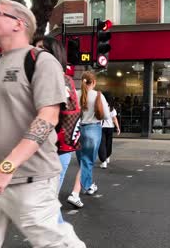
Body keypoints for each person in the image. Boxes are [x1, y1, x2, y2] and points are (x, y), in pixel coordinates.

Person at [0, 0, 85, 248]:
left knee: (54, 243)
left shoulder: (40, 61)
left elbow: (48, 117)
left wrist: (5, 169)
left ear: (17, 24)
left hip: (30, 179)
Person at [33, 35, 80, 223]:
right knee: (44, 203)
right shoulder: (46, 78)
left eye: (41, 49)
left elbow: (51, 115)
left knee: (46, 202)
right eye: (35, 48)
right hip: (44, 149)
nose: (36, 53)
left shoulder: (60, 79)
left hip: (54, 150)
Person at [67, 72, 110, 208]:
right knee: (87, 162)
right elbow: (106, 115)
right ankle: (75, 193)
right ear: (94, 82)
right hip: (93, 130)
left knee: (83, 162)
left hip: (78, 130)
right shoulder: (98, 95)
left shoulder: (75, 94)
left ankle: (89, 185)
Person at [99, 92, 121, 169]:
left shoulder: (100, 106)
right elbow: (114, 119)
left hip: (101, 127)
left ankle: (103, 161)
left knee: (102, 144)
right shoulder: (112, 108)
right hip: (110, 127)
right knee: (109, 143)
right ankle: (107, 156)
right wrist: (118, 128)